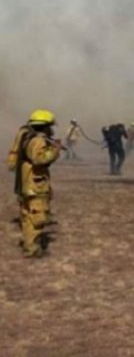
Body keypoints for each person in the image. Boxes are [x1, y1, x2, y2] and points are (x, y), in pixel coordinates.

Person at [14, 109, 62, 257]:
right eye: (50, 126)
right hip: (36, 184)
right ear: (45, 126)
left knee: (28, 216)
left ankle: (29, 245)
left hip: (26, 182)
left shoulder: (27, 137)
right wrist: (55, 151)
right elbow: (39, 159)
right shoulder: (38, 141)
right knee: (37, 217)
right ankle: (33, 248)